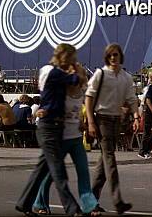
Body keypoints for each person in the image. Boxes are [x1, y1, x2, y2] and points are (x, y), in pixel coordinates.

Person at [16, 43, 86, 217]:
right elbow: (76, 80)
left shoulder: (50, 71)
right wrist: (76, 68)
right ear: (64, 57)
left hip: (53, 125)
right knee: (58, 170)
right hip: (49, 126)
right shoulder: (54, 72)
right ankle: (72, 209)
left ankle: (24, 203)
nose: (73, 61)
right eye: (71, 58)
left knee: (42, 169)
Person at [33, 59, 98, 216]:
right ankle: (39, 202)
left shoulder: (81, 90)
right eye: (75, 71)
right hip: (60, 137)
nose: (79, 74)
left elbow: (77, 113)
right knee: (51, 174)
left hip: (75, 137)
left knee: (83, 171)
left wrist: (86, 125)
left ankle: (89, 206)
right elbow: (46, 106)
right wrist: (43, 112)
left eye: (80, 71)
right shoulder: (59, 91)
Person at [85, 43, 140, 215]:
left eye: (115, 55)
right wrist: (91, 121)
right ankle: (117, 200)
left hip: (116, 121)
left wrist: (137, 117)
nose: (113, 58)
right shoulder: (100, 74)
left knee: (103, 163)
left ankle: (90, 202)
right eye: (110, 55)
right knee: (110, 160)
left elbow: (132, 99)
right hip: (102, 119)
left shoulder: (126, 77)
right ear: (106, 57)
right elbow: (88, 97)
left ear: (120, 56)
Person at [138, 71, 152, 159]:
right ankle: (143, 151)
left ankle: (147, 148)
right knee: (147, 131)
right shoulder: (151, 88)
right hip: (149, 111)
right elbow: (148, 100)